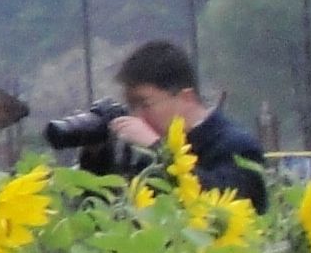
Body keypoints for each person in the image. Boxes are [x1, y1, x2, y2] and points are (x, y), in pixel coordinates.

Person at [100, 39, 268, 210]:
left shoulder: (238, 147)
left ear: (185, 98)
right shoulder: (146, 157)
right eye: (131, 106)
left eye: (145, 104)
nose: (137, 117)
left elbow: (224, 199)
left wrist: (159, 149)